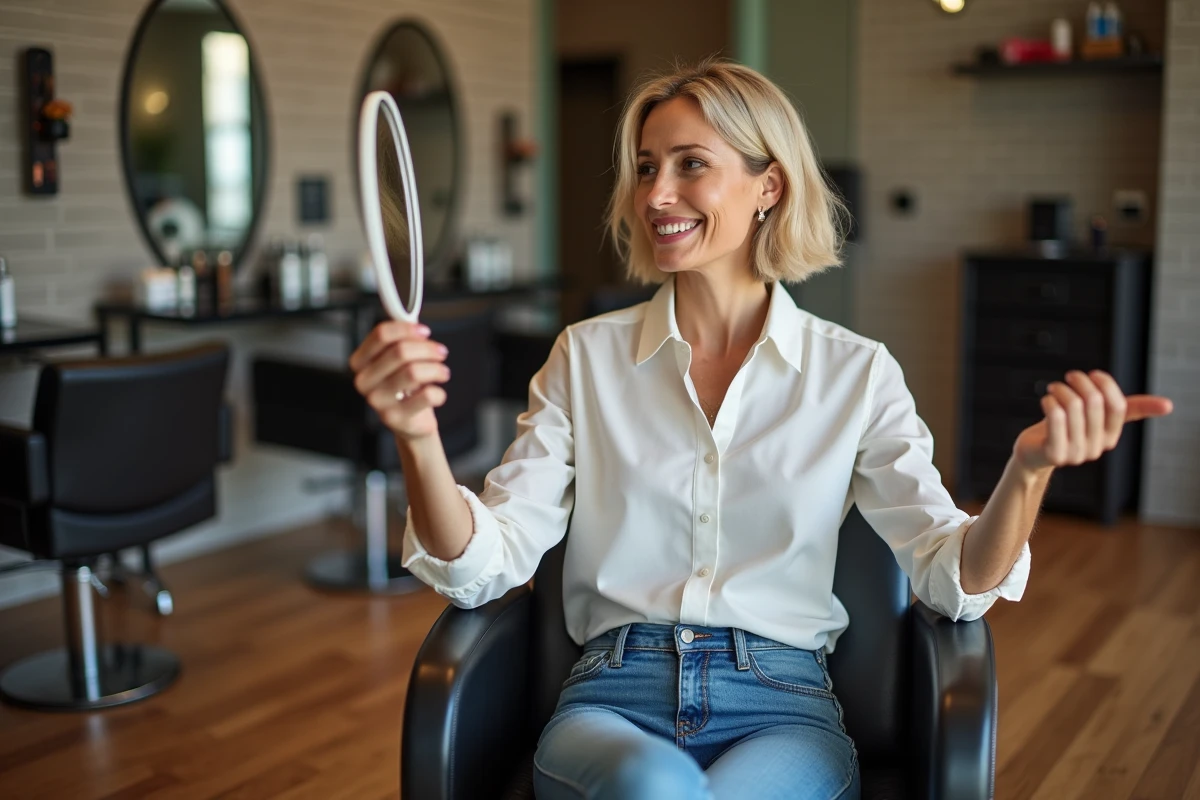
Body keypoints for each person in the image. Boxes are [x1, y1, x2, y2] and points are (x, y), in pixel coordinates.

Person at [349, 59, 1174, 800]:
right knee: (653, 788)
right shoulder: (585, 358)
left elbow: (950, 579)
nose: (655, 194)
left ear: (769, 186)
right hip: (611, 700)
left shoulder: (856, 373)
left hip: (785, 709)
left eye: (690, 165)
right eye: (645, 169)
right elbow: (483, 567)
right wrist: (418, 437)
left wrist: (1026, 474)